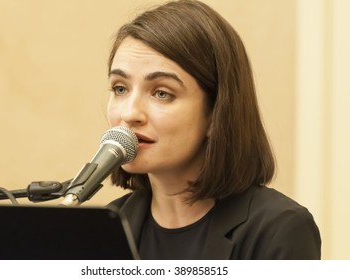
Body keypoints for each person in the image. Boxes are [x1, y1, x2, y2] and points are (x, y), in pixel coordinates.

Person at [106, 0, 321, 259]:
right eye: (120, 88)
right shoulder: (105, 229)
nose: (129, 113)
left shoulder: (278, 229)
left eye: (162, 93)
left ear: (216, 112)